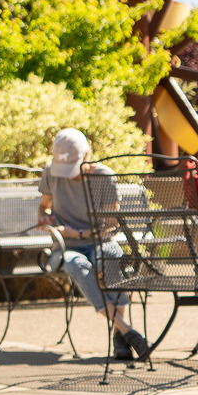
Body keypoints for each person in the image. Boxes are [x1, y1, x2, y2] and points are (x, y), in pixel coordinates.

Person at [37, 129, 150, 362]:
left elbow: (111, 225)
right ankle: (126, 331)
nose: (68, 176)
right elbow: (44, 207)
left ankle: (120, 336)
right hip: (64, 248)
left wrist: (79, 232)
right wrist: (45, 219)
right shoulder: (50, 173)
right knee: (78, 264)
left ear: (88, 155)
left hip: (99, 241)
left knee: (110, 256)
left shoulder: (104, 176)